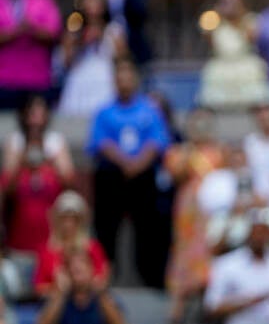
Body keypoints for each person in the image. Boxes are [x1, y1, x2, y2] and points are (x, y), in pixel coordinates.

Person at [86, 58, 170, 288]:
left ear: (135, 79)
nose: (123, 80)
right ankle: (104, 278)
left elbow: (158, 141)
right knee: (106, 230)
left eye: (127, 75)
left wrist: (137, 164)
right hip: (112, 176)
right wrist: (125, 162)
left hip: (142, 178)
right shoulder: (104, 112)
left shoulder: (150, 110)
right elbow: (99, 142)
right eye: (119, 76)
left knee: (148, 230)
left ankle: (149, 279)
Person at [163, 108, 225, 324]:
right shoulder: (178, 152)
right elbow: (176, 175)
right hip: (188, 215)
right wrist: (190, 149)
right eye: (196, 123)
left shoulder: (220, 152)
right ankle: (177, 312)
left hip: (212, 213)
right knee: (185, 256)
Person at [203, 208, 269, 324]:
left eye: (263, 231)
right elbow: (211, 306)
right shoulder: (226, 264)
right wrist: (247, 302)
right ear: (247, 233)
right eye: (255, 231)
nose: (259, 237)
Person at [1, 95, 74, 254]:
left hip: (51, 241)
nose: (36, 121)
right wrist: (22, 160)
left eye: (41, 113)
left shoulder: (56, 142)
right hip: (18, 236)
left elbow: (68, 182)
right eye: (32, 113)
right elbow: (8, 187)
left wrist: (51, 159)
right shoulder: (14, 142)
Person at [0, 0, 62, 109]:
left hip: (37, 78)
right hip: (5, 79)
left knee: (36, 124)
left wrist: (32, 28)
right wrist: (15, 31)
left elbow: (54, 33)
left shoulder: (42, 0)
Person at [198, 0, 269, 109]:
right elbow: (209, 40)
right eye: (225, 0)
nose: (230, 3)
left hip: (246, 68)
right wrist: (219, 16)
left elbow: (252, 38)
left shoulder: (250, 19)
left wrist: (238, 16)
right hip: (221, 69)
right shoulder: (214, 20)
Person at [57, 0, 127, 116]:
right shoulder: (73, 32)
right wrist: (81, 43)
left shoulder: (114, 30)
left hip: (105, 82)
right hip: (79, 82)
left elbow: (122, 59)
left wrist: (103, 37)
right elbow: (66, 63)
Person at [33, 191, 110, 298]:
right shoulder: (47, 250)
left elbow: (102, 279)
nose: (68, 224)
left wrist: (82, 284)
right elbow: (39, 287)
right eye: (64, 218)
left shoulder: (92, 247)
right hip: (55, 304)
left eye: (73, 219)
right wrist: (57, 288)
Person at [36, 250, 124, 324]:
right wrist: (61, 292)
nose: (77, 267)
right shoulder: (59, 298)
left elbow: (119, 322)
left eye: (82, 263)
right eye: (73, 266)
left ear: (91, 269)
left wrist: (100, 293)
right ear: (67, 273)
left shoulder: (104, 297)